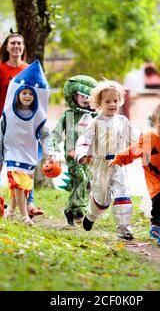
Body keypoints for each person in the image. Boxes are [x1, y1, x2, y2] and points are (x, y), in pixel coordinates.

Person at [110, 102, 160, 247]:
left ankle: (156, 223)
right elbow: (133, 151)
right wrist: (119, 159)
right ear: (154, 122)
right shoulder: (148, 139)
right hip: (154, 179)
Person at [0, 60, 55, 226]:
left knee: (22, 186)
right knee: (18, 184)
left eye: (30, 94)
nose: (27, 96)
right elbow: (0, 134)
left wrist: (50, 154)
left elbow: (45, 136)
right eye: (24, 93)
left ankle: (10, 211)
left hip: (29, 154)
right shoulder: (8, 113)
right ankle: (24, 216)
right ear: (18, 94)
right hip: (12, 152)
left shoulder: (38, 117)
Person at [75, 80, 139, 240]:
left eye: (115, 101)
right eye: (108, 101)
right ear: (99, 103)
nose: (112, 104)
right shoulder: (95, 122)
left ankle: (124, 229)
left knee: (122, 193)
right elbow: (85, 138)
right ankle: (90, 216)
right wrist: (82, 153)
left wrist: (145, 148)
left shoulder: (123, 121)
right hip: (100, 165)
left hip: (118, 163)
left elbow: (136, 138)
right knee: (102, 199)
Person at [0, 32, 42, 217]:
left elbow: (37, 98)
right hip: (3, 121)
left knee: (27, 162)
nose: (16, 46)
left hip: (25, 124)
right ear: (6, 47)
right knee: (1, 162)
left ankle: (29, 203)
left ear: (23, 47)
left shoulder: (28, 69)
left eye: (19, 43)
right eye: (13, 43)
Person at [51, 75, 98, 226]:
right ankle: (78, 210)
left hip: (90, 157)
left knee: (86, 183)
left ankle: (72, 211)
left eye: (89, 96)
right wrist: (53, 148)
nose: (86, 99)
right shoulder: (69, 115)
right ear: (74, 96)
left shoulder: (96, 117)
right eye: (82, 95)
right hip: (73, 155)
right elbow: (57, 132)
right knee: (81, 178)